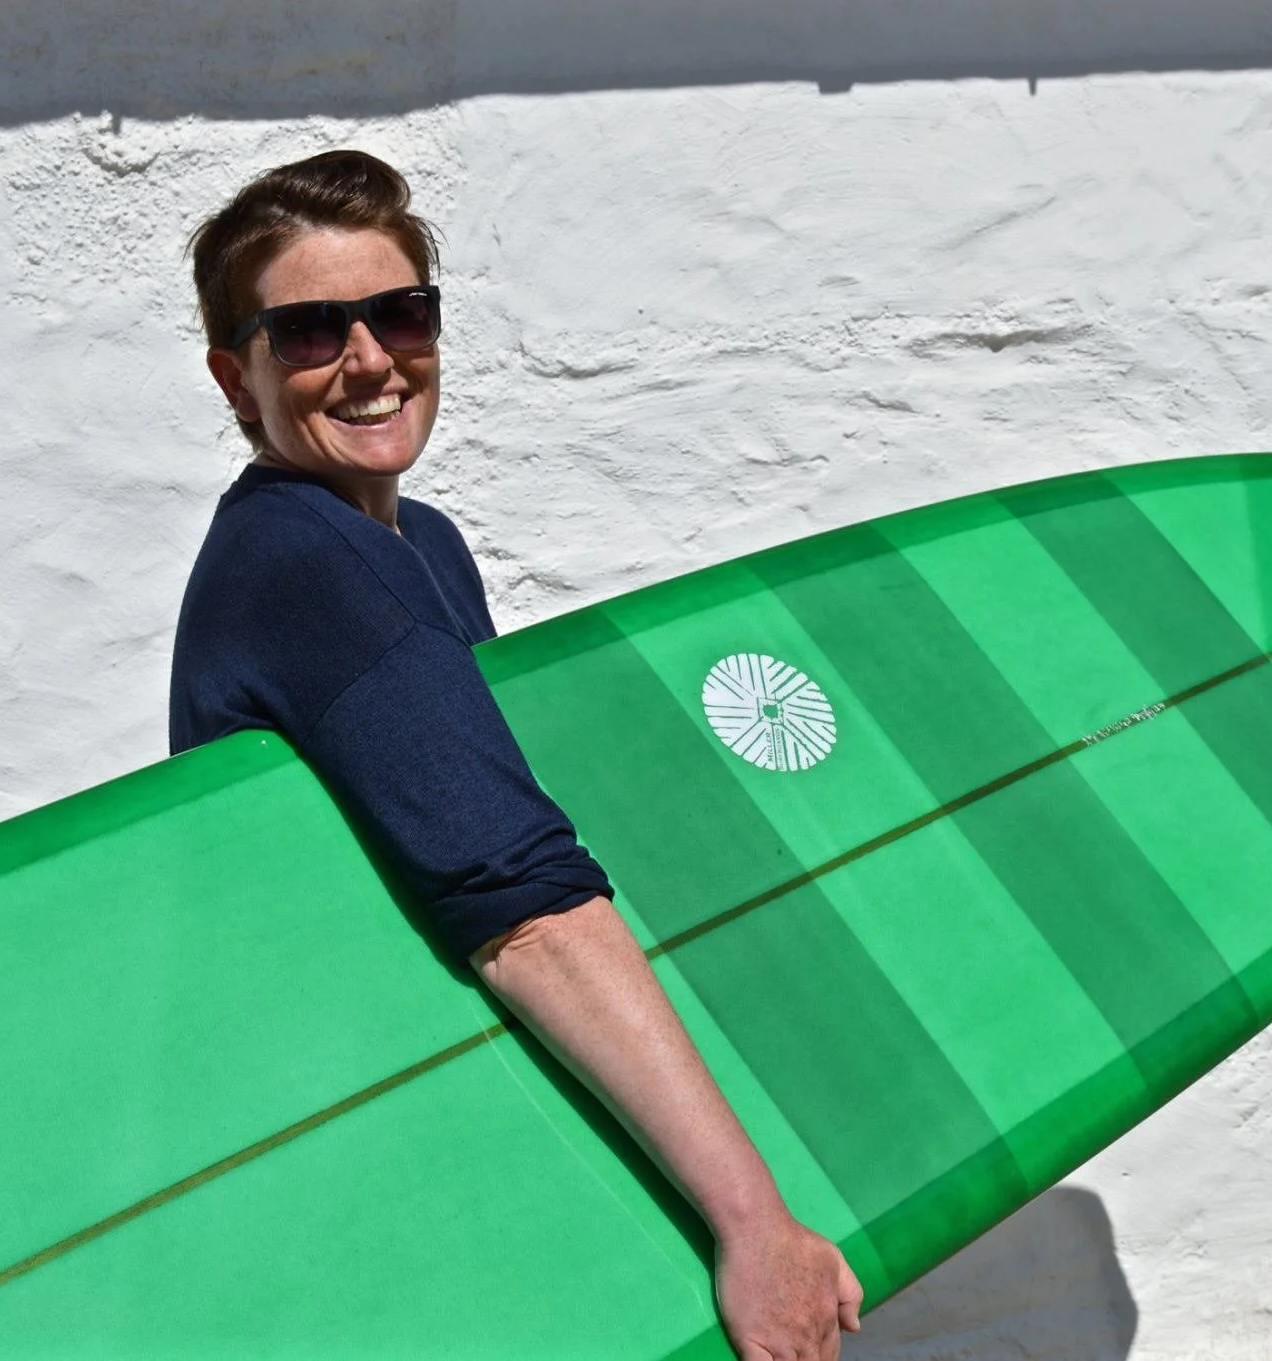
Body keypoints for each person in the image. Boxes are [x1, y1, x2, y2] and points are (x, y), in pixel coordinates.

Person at [171, 149, 862, 1360]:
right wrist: (756, 1222)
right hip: (368, 1113)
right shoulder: (305, 565)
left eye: (400, 312)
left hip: (436, 1088)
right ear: (238, 378)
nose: (371, 357)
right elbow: (521, 908)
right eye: (309, 331)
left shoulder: (416, 540)